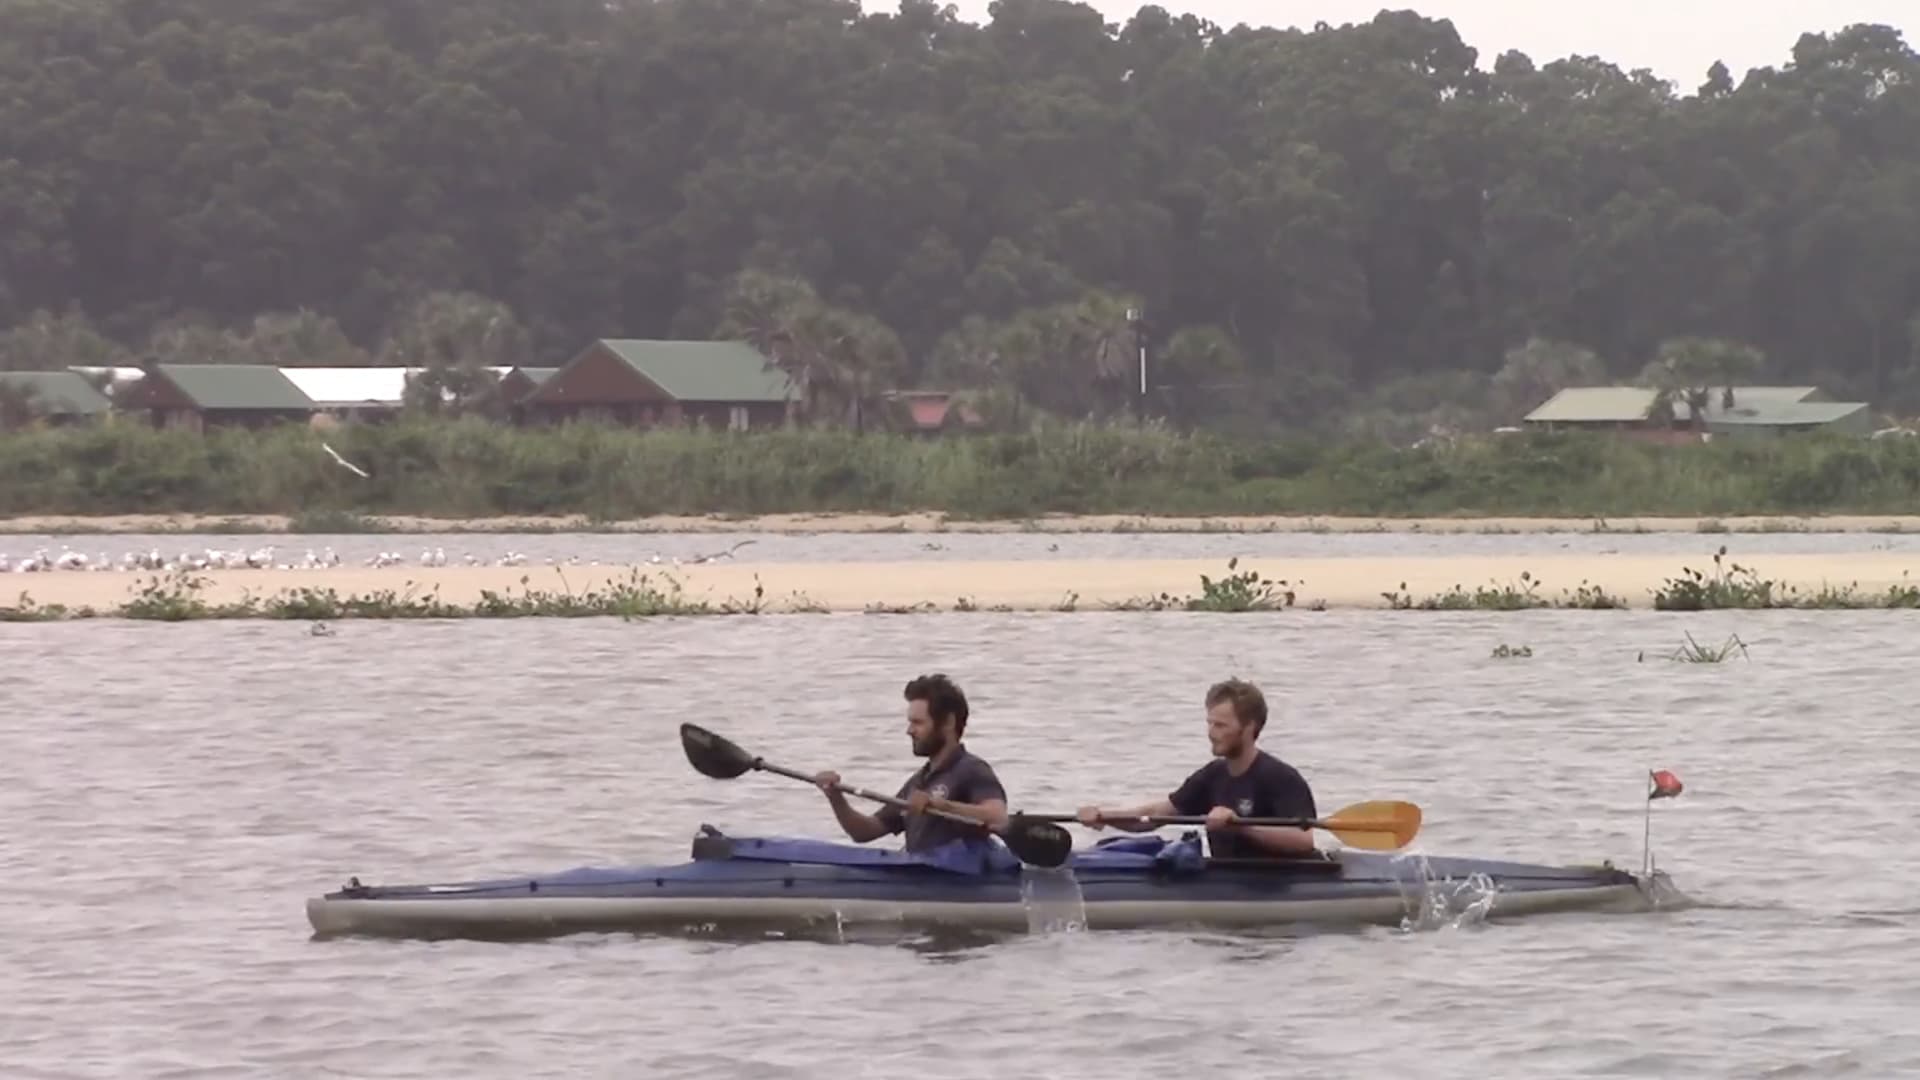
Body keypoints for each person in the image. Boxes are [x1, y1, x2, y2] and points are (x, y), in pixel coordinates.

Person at [1077, 677, 1318, 858]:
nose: (1211, 733)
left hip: (1284, 883)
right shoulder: (1213, 776)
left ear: (1248, 728)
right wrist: (1103, 815)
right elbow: (1151, 817)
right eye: (1210, 723)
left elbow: (1303, 840)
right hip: (1228, 880)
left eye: (1221, 726)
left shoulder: (1279, 777)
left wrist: (1241, 827)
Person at [813, 673, 1010, 853]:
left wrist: (942, 806)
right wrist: (835, 796)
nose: (909, 730)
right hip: (919, 877)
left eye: (918, 723)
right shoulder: (918, 782)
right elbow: (865, 832)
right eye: (910, 722)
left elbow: (997, 817)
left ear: (948, 722)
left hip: (961, 882)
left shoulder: (972, 770)